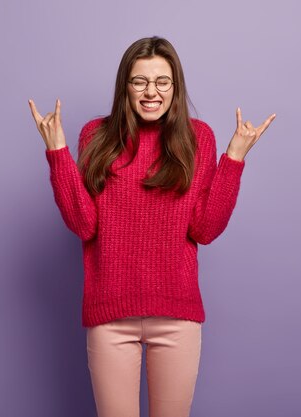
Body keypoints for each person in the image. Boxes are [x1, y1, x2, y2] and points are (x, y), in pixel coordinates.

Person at [27, 36, 276, 417]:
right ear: (124, 86)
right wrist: (58, 154)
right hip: (110, 316)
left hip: (177, 316)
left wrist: (234, 159)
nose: (151, 92)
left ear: (175, 88)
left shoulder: (199, 138)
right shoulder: (96, 135)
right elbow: (84, 225)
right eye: (139, 81)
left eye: (162, 82)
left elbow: (205, 230)